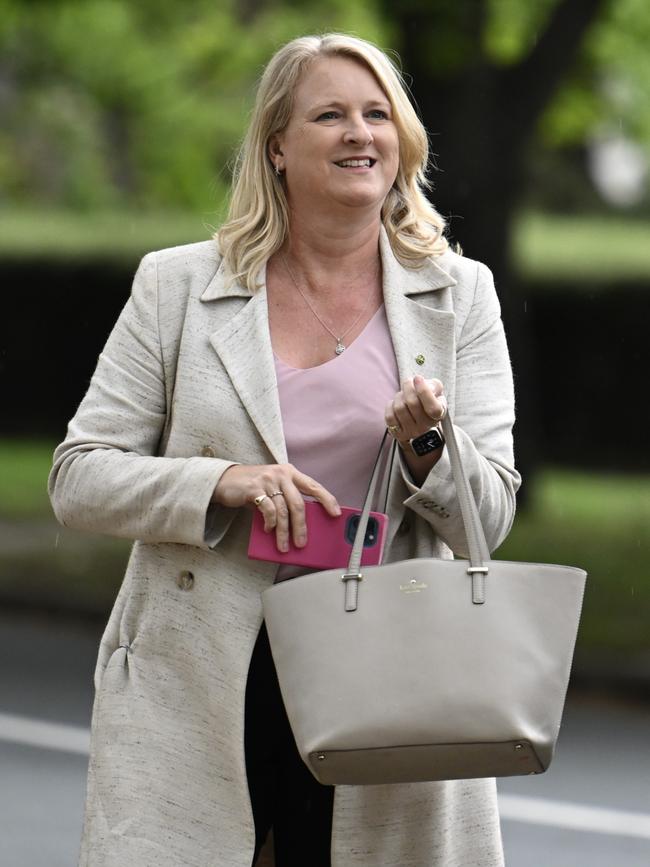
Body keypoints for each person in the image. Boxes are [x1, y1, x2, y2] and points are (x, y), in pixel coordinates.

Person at [49, 32, 520, 867]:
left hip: (383, 665)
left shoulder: (460, 294)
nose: (359, 133)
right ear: (276, 146)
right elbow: (78, 476)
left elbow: (489, 517)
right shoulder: (177, 287)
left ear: (401, 142)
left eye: (378, 115)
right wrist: (220, 480)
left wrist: (427, 450)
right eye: (330, 114)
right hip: (202, 668)